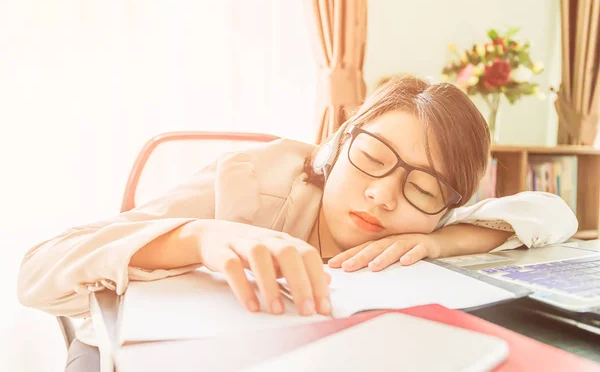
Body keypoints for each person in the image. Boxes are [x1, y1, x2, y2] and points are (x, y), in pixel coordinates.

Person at [17, 76, 577, 371]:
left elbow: (554, 213)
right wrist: (200, 236)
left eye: (424, 188)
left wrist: (441, 238)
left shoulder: (430, 226)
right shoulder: (255, 177)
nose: (384, 196)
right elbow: (38, 271)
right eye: (372, 158)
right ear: (337, 143)